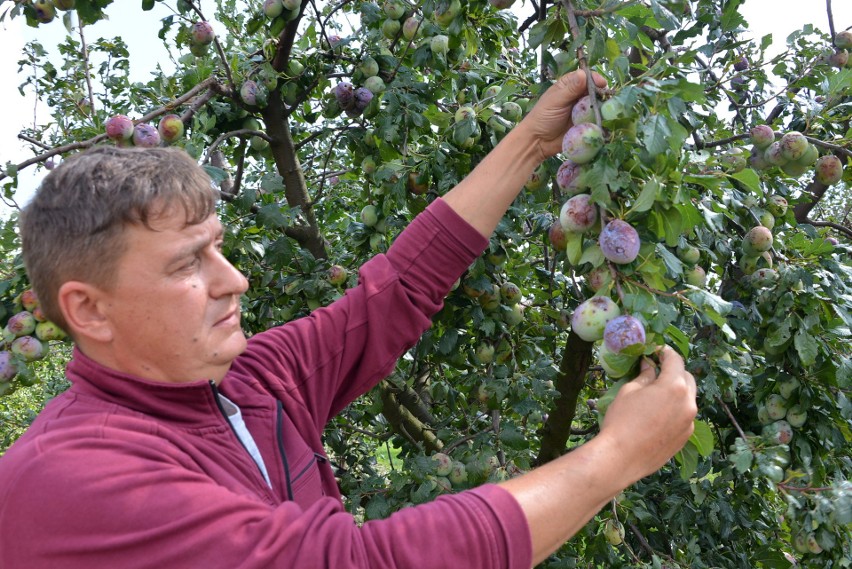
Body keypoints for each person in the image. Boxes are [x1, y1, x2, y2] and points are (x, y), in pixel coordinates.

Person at [0, 70, 697, 568]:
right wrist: (615, 457)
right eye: (189, 264)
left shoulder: (249, 380)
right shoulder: (70, 479)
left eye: (221, 248)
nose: (234, 279)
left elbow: (390, 294)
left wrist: (530, 144)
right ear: (88, 310)